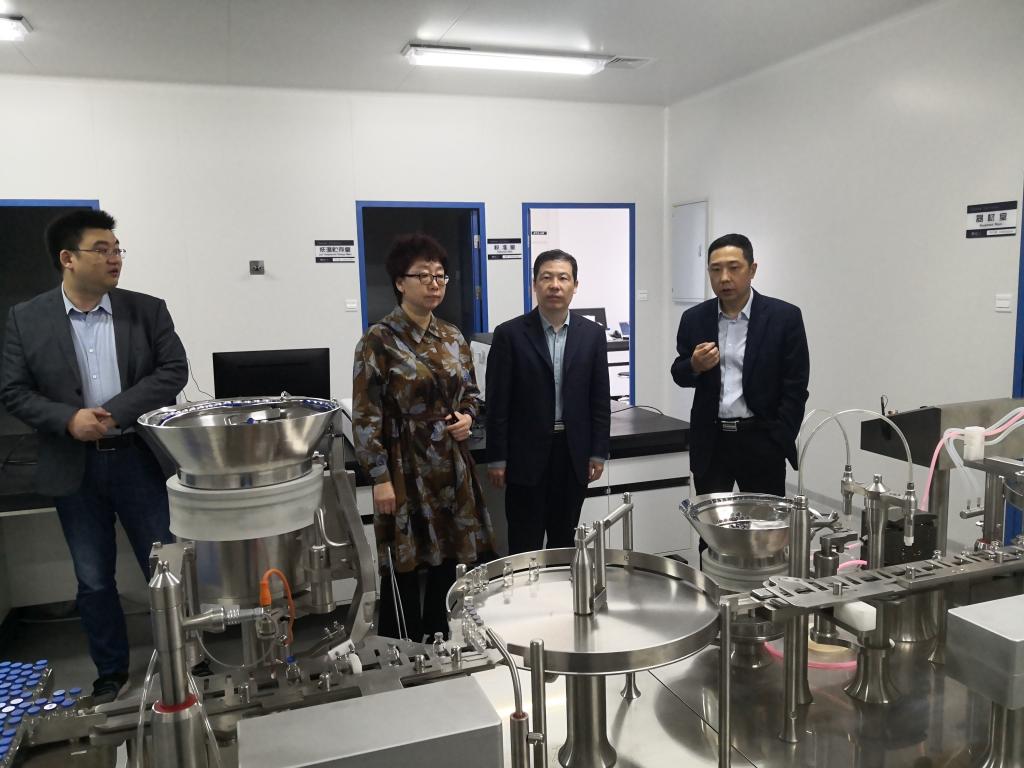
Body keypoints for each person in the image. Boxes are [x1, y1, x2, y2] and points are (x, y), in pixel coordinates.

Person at [0, 209, 187, 703]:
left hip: (139, 459)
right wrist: (69, 420)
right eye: (101, 250)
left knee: (165, 568)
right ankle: (110, 673)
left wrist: (112, 412)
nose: (114, 258)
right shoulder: (27, 318)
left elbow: (173, 371)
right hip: (74, 465)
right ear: (68, 258)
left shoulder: (147, 310)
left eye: (117, 249)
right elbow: (13, 391)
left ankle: (184, 659)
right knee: (93, 578)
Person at [352, 233, 494, 642]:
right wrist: (379, 477)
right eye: (423, 275)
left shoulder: (452, 335)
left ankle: (440, 642)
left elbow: (472, 393)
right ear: (400, 282)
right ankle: (399, 648)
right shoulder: (378, 340)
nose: (434, 283)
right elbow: (366, 414)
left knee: (450, 555)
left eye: (440, 275)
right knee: (404, 560)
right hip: (404, 464)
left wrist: (467, 416)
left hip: (450, 461)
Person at [671, 233, 809, 510]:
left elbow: (795, 385)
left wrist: (780, 437)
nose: (724, 278)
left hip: (761, 439)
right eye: (715, 269)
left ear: (752, 270)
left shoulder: (784, 318)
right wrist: (694, 365)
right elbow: (679, 372)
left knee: (764, 525)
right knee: (711, 525)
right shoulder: (694, 318)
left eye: (734, 268)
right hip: (712, 441)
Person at [486, 249, 611, 554]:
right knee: (524, 542)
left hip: (573, 453)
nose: (555, 285)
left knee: (564, 541)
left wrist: (598, 451)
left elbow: (599, 399)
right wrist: (497, 457)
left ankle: (562, 587)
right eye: (547, 277)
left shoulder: (592, 335)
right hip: (524, 455)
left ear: (575, 285)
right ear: (534, 284)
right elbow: (497, 402)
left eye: (563, 278)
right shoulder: (509, 334)